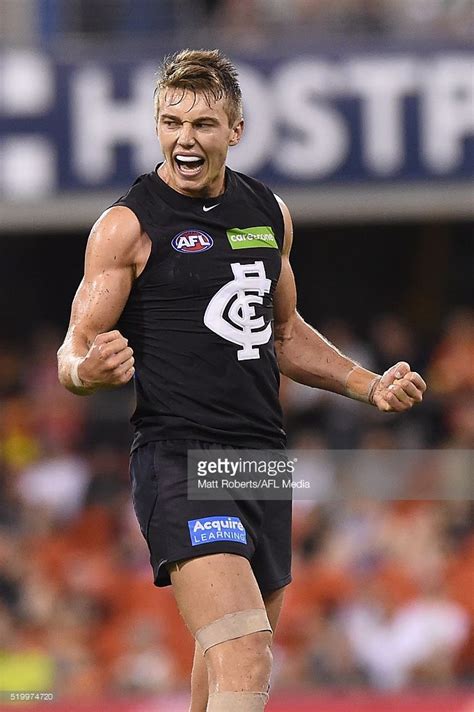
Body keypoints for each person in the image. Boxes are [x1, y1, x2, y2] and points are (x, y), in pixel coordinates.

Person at [57, 49, 426, 712]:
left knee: (227, 665)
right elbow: (72, 353)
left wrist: (366, 385)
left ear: (236, 131)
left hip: (262, 462)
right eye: (170, 122)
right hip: (179, 455)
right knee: (246, 650)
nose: (183, 139)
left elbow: (284, 334)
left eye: (201, 124)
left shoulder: (267, 211)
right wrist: (88, 371)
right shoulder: (128, 224)